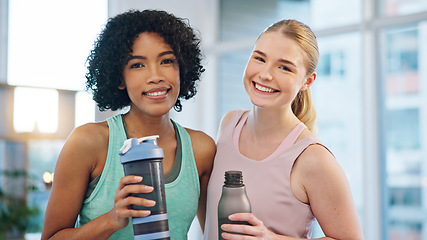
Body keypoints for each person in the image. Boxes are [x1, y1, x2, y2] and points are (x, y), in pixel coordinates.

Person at [41, 9, 215, 240]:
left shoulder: (201, 149)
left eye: (166, 61)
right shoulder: (89, 142)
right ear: (119, 78)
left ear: (182, 68)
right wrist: (111, 220)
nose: (155, 76)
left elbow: (214, 234)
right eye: (137, 65)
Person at [204, 19, 364, 239]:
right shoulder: (229, 124)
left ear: (308, 81)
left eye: (284, 67)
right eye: (259, 58)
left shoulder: (313, 158)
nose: (265, 74)